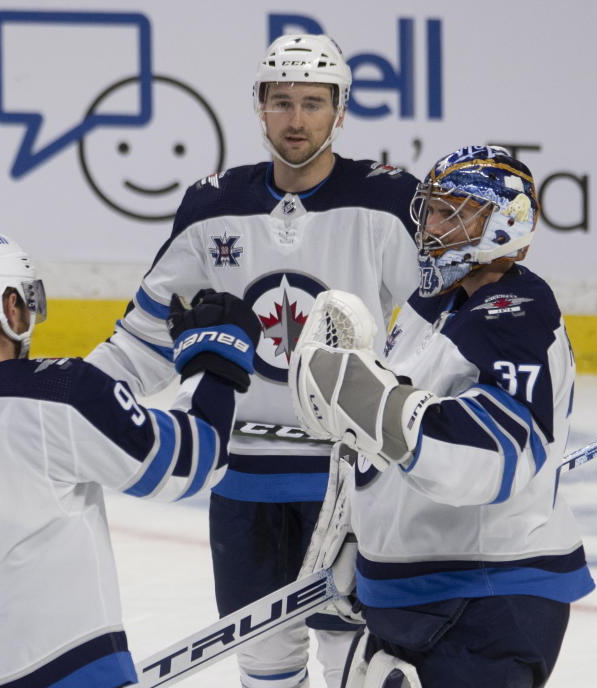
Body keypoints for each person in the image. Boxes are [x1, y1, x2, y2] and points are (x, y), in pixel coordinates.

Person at [85, 34, 420, 688]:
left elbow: (437, 332)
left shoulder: (385, 201)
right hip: (242, 481)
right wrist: (69, 395)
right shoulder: (213, 206)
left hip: (348, 483)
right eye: (282, 102)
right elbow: (147, 338)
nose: (296, 120)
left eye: (313, 104)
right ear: (259, 107)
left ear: (340, 110)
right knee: (264, 664)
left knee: (348, 657)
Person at [0, 230, 261, 688]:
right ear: (10, 306)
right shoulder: (62, 391)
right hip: (63, 670)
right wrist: (214, 362)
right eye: (27, 299)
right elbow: (191, 461)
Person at [291, 145, 596, 687]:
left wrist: (373, 402)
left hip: (486, 596)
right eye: (430, 209)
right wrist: (361, 543)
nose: (432, 226)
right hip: (419, 592)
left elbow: (497, 455)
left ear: (504, 223)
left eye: (454, 212)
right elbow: (388, 447)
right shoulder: (429, 303)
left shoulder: (515, 313)